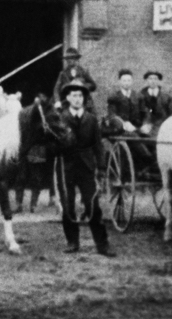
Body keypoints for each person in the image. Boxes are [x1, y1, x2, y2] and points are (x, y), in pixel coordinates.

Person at [53, 80, 115, 257]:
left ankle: (102, 244)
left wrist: (101, 168)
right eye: (74, 95)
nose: (78, 99)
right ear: (67, 97)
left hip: (87, 167)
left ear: (84, 98)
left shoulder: (91, 119)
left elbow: (98, 146)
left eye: (80, 96)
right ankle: (72, 242)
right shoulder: (60, 119)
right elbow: (53, 146)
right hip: (66, 167)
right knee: (68, 206)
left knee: (93, 205)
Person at [52, 47, 97, 113]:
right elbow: (56, 89)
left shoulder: (83, 71)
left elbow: (93, 85)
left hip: (83, 102)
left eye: (71, 58)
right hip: (68, 103)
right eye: (67, 58)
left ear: (76, 59)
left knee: (91, 118)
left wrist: (83, 85)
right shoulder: (63, 74)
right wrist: (57, 101)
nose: (69, 60)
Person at [138, 71, 172, 137]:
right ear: (146, 80)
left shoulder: (167, 98)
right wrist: (144, 124)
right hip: (143, 128)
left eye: (155, 79)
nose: (153, 81)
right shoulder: (139, 96)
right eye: (150, 79)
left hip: (163, 128)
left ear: (159, 81)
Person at [105, 69, 141, 134]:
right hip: (120, 129)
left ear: (132, 81)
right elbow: (112, 115)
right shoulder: (114, 97)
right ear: (119, 81)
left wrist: (146, 124)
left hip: (137, 128)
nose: (126, 83)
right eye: (124, 81)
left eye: (129, 80)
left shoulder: (138, 96)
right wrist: (123, 123)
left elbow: (144, 112)